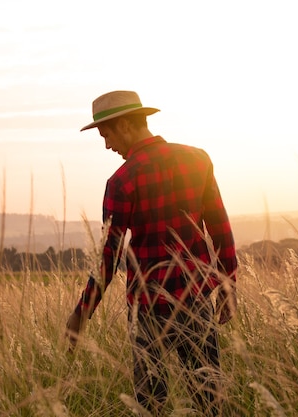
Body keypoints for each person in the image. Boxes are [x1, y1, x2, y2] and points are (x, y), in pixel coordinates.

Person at [66, 90, 238, 416]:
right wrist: (228, 286)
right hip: (197, 301)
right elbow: (220, 228)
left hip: (148, 310)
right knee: (209, 401)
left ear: (128, 125)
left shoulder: (121, 181)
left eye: (107, 134)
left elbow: (108, 258)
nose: (107, 145)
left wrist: (82, 313)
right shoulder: (197, 159)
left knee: (151, 406)